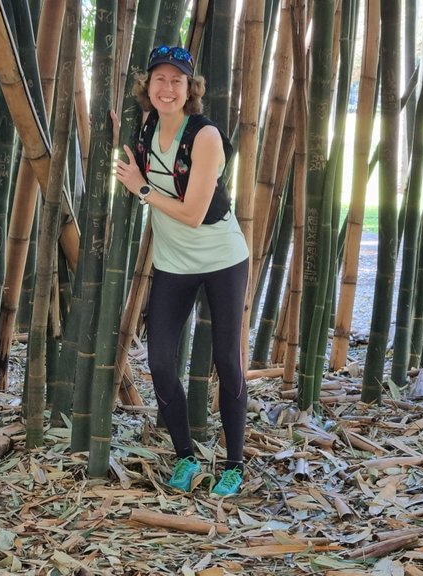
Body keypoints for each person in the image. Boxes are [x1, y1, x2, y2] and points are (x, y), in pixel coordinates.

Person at [113, 45, 250, 497]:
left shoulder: (205, 136)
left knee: (227, 361)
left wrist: (142, 190)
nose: (167, 88)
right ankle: (186, 456)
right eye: (160, 80)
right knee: (159, 360)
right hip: (173, 263)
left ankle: (234, 464)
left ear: (191, 88)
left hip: (222, 259)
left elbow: (193, 213)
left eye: (177, 81)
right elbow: (126, 150)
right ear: (147, 87)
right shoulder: (147, 126)